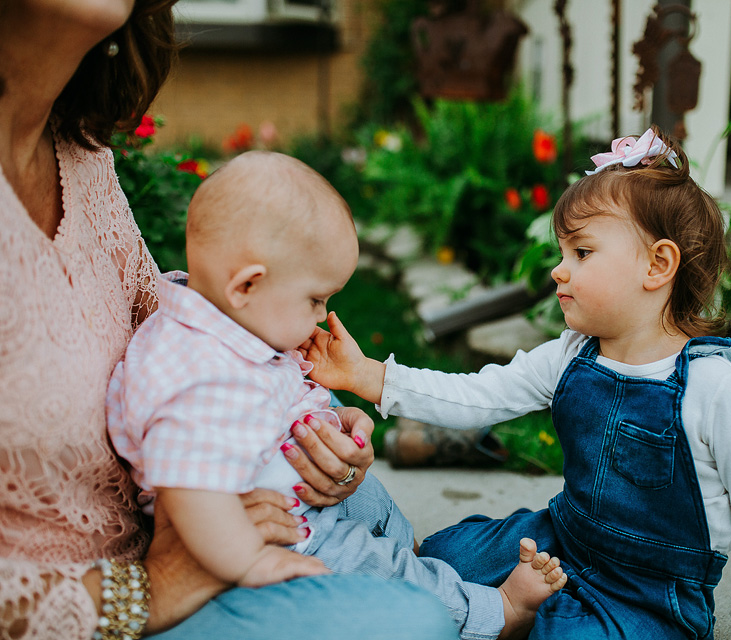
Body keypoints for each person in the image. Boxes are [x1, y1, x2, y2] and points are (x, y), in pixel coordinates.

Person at [0, 2, 454, 638]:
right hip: (112, 594)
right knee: (417, 622)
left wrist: (302, 424)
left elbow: (177, 326)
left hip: (185, 523)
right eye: (318, 299)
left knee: (369, 507)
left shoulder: (79, 157)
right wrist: (151, 588)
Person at [304, 127, 731, 640]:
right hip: (562, 539)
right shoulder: (573, 355)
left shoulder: (713, 387)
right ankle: (521, 608)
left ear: (657, 265)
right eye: (561, 252)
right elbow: (479, 396)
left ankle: (527, 617)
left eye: (581, 253)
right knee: (445, 557)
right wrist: (369, 376)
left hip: (650, 593)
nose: (558, 270)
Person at [106, 150, 567, 639]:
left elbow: (272, 402)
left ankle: (406, 550)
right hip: (277, 530)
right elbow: (190, 495)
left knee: (373, 505)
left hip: (295, 484)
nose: (321, 315)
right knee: (372, 566)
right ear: (247, 285)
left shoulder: (227, 325)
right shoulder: (195, 375)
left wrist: (334, 413)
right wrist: (250, 560)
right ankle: (494, 613)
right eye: (315, 299)